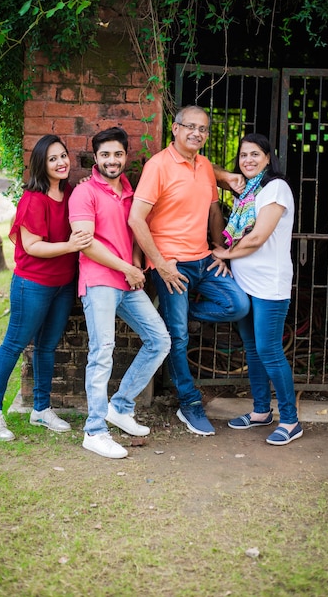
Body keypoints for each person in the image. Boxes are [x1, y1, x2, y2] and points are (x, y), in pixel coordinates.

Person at [128, 106, 250, 437]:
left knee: (237, 305)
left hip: (202, 259)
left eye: (203, 129)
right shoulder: (158, 167)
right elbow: (136, 219)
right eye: (190, 127)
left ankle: (182, 314)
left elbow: (212, 211)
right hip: (171, 264)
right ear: (175, 129)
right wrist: (160, 263)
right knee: (177, 337)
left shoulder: (205, 166)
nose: (197, 133)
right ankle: (189, 403)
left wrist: (219, 247)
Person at [0, 135, 92, 441]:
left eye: (63, 156)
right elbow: (29, 244)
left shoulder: (70, 193)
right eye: (53, 158)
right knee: (14, 344)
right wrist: (69, 245)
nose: (61, 162)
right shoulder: (33, 198)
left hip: (62, 284)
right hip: (33, 284)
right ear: (41, 165)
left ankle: (41, 410)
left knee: (47, 347)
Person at [69, 127, 171, 459]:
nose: (112, 160)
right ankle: (94, 431)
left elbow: (132, 232)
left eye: (117, 154)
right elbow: (87, 242)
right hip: (99, 280)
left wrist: (137, 263)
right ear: (95, 158)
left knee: (160, 339)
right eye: (105, 155)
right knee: (102, 353)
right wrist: (127, 268)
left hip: (128, 282)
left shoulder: (130, 190)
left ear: (125, 156)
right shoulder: (84, 194)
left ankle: (120, 406)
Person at [213, 133, 303, 445]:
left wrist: (222, 253)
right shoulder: (247, 190)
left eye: (255, 154)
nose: (248, 160)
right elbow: (200, 167)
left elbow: (257, 237)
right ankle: (261, 411)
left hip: (269, 284)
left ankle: (290, 420)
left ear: (268, 157)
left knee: (269, 350)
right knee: (251, 349)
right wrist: (226, 176)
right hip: (244, 281)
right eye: (243, 155)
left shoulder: (276, 188)